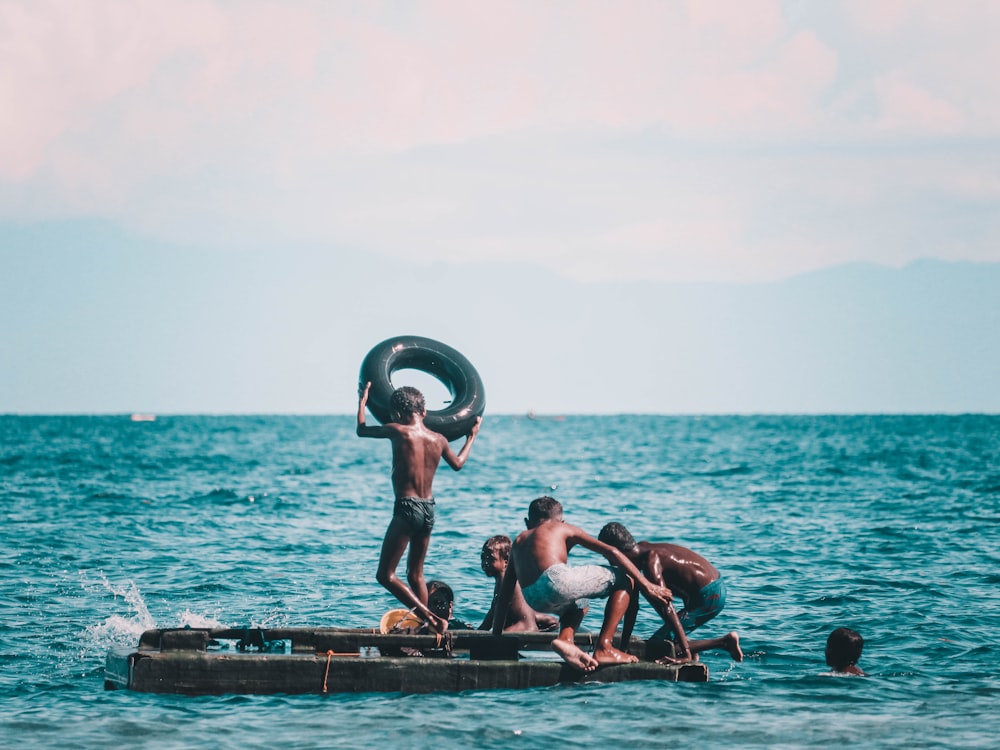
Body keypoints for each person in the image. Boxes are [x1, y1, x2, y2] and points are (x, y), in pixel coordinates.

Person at [491, 496, 675, 671]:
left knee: (581, 602)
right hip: (556, 581)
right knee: (625, 579)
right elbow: (612, 552)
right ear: (561, 521)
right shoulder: (562, 528)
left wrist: (496, 637)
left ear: (527, 522)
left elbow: (505, 593)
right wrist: (647, 585)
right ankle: (605, 647)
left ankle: (565, 640)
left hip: (532, 597)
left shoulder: (518, 541)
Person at [357, 382, 481, 633]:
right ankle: (427, 627)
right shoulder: (439, 439)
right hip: (428, 510)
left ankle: (431, 618)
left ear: (397, 415)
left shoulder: (399, 430)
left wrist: (363, 399)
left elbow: (361, 430)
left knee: (385, 575)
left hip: (407, 508)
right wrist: (472, 437)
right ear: (424, 412)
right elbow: (458, 464)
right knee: (416, 575)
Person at [598, 522, 743, 662]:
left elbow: (667, 609)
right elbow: (632, 608)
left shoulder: (650, 561)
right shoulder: (638, 556)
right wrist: (623, 646)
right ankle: (692, 650)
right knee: (665, 638)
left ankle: (723, 642)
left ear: (617, 551)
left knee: (659, 645)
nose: (611, 563)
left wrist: (685, 652)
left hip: (711, 595)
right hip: (703, 592)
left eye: (609, 556)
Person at [478, 535, 558, 633]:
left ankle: (531, 628)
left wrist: (478, 632)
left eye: (490, 559)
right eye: (483, 559)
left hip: (523, 628)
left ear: (506, 562)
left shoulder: (504, 580)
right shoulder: (516, 579)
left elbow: (494, 612)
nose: (485, 563)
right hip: (528, 624)